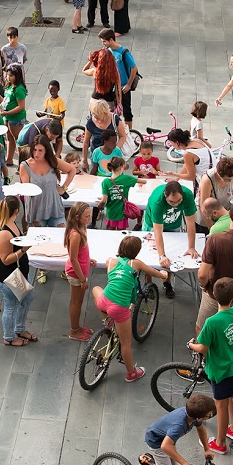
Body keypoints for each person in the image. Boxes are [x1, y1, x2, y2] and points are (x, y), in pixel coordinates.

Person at [92, 235, 170, 382]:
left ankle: (107, 321)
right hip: (118, 308)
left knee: (96, 289)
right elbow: (152, 272)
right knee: (126, 344)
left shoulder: (110, 261)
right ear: (136, 251)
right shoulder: (136, 263)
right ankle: (131, 373)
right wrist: (163, 275)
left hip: (104, 301)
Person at [187, 277, 233, 454]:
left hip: (220, 369)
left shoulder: (212, 322)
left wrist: (191, 345)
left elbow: (203, 348)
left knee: (220, 405)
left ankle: (220, 443)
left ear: (213, 295)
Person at [143, 181, 199, 299]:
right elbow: (158, 232)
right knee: (150, 253)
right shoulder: (157, 201)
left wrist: (191, 247)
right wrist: (161, 256)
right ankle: (148, 282)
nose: (175, 204)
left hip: (174, 224)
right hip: (152, 224)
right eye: (171, 202)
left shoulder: (188, 196)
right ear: (165, 196)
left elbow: (190, 223)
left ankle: (167, 282)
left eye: (179, 201)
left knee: (173, 252)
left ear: (182, 195)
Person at [0, 195, 36, 346]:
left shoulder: (11, 224)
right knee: (11, 306)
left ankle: (19, 328)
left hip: (18, 273)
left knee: (28, 298)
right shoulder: (4, 233)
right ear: (17, 210)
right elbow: (6, 259)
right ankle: (9, 337)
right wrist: (23, 250)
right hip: (9, 276)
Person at [19, 135, 75, 227]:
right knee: (40, 239)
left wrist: (64, 188)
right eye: (34, 149)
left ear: (46, 150)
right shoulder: (25, 166)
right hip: (37, 210)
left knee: (61, 235)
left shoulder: (52, 160)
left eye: (40, 150)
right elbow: (27, 190)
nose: (36, 153)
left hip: (54, 206)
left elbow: (72, 170)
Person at [64, 202, 95, 341]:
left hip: (81, 271)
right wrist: (82, 280)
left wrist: (88, 259)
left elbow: (80, 254)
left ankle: (77, 327)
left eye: (90, 216)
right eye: (86, 216)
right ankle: (74, 330)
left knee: (79, 301)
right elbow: (73, 259)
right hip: (76, 274)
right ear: (77, 217)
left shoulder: (82, 228)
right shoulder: (75, 234)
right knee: (76, 302)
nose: (89, 219)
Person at [164, 128, 214, 201]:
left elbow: (191, 177)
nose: (172, 146)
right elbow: (187, 165)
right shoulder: (197, 141)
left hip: (208, 182)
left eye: (172, 143)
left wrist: (173, 174)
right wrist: (176, 179)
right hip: (213, 174)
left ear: (177, 142)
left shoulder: (188, 154)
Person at [100, 156, 144, 229]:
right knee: (122, 233)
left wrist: (99, 205)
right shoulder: (126, 178)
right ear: (122, 167)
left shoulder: (105, 182)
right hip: (122, 213)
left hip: (111, 213)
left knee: (110, 233)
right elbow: (144, 181)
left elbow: (103, 200)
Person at [196, 157, 233, 230]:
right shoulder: (207, 180)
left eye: (231, 179)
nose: (229, 181)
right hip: (208, 219)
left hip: (223, 215)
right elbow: (204, 208)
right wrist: (212, 230)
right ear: (219, 174)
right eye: (227, 179)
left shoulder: (231, 173)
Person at [0, 64, 28, 165]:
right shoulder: (9, 86)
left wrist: (6, 112)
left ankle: (23, 162)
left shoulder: (19, 89)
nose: (8, 77)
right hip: (7, 117)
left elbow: (21, 106)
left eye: (11, 76)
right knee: (9, 139)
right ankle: (9, 159)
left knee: (19, 141)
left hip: (16, 118)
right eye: (7, 75)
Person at [84, 48, 122, 118]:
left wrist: (90, 62)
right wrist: (119, 103)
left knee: (93, 122)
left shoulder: (95, 71)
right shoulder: (115, 74)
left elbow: (84, 70)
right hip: (108, 102)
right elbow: (118, 91)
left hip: (95, 100)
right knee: (107, 124)